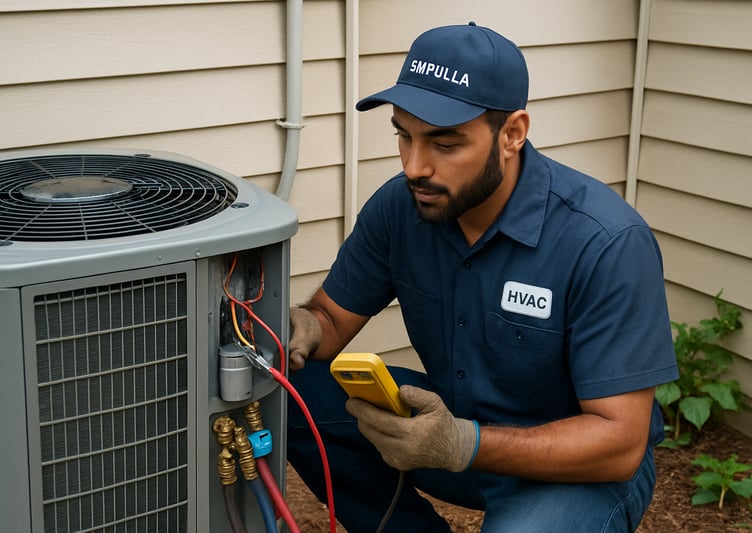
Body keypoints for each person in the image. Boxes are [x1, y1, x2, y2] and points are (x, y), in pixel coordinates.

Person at [286, 22, 678, 532]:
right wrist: (307, 325)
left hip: (580, 470)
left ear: (512, 133)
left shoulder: (604, 241)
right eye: (404, 136)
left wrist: (464, 442)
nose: (414, 166)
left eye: (444, 144)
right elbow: (329, 319)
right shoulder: (401, 207)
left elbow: (619, 444)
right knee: (293, 391)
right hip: (450, 434)